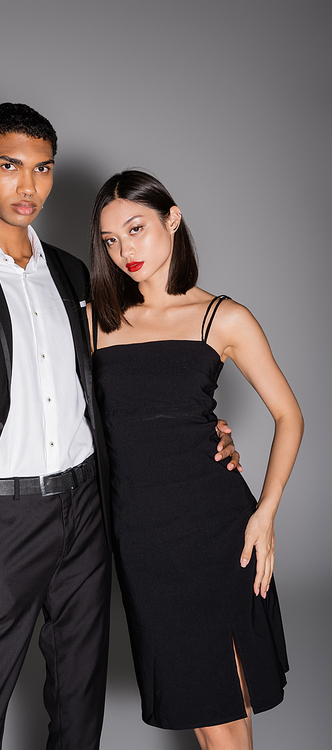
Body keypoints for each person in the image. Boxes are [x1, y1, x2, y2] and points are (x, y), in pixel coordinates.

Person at [0, 105, 240, 750]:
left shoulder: (75, 274)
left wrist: (200, 430)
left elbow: (128, 383)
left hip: (86, 512)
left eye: (43, 169)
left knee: (79, 711)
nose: (29, 186)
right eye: (9, 167)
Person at [89, 170, 304, 750]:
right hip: (143, 536)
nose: (125, 250)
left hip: (216, 527)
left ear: (173, 219)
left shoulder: (223, 318)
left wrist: (265, 515)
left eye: (136, 229)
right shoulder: (95, 321)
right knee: (212, 710)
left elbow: (290, 415)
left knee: (227, 713)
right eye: (111, 240)